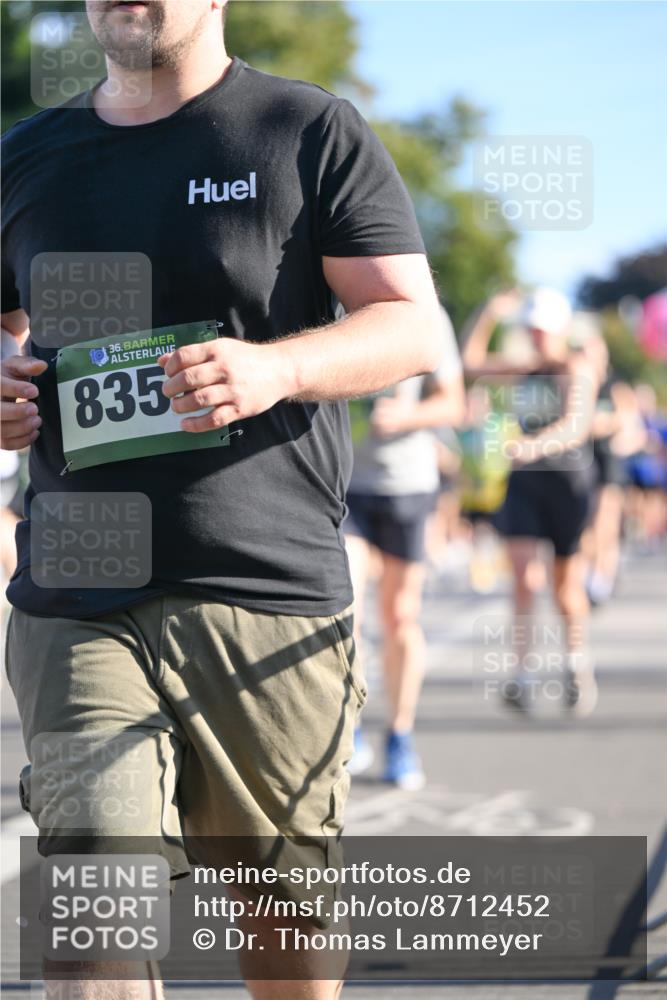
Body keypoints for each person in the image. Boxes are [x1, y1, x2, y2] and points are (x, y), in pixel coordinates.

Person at [0, 2, 444, 998]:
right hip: (79, 597)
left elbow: (411, 326)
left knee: (278, 925)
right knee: (93, 920)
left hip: (264, 587)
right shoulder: (26, 156)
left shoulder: (304, 129)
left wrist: (271, 371)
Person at [463, 288, 600, 717]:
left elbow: (576, 425)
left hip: (567, 483)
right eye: (531, 329)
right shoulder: (522, 369)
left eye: (543, 330)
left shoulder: (574, 368)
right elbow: (469, 363)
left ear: (559, 330)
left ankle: (576, 665)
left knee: (564, 585)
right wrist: (488, 311)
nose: (537, 337)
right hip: (524, 483)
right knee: (524, 578)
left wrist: (535, 446)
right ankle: (521, 676)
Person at [344, 307, 464, 788]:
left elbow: (453, 403)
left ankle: (399, 734)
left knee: (399, 617)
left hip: (407, 487)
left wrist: (409, 416)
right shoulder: (325, 301)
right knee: (344, 610)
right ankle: (349, 726)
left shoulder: (423, 310)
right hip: (344, 484)